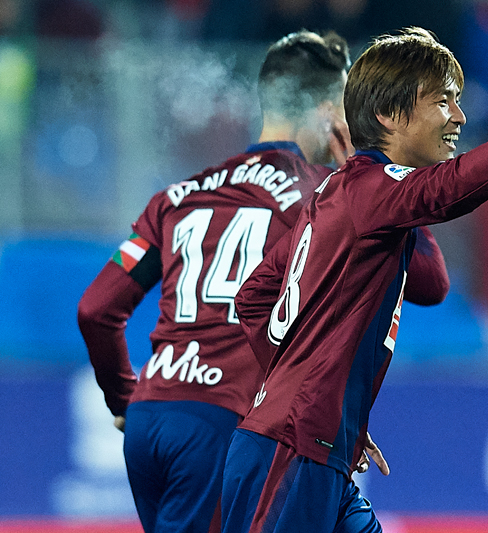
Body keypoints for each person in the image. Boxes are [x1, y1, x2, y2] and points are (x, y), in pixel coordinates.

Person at [221, 26, 488, 533]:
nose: (459, 117)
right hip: (291, 450)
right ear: (388, 113)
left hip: (312, 442)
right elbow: (452, 188)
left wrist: (318, 400)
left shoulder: (345, 193)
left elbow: (258, 298)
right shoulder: (369, 191)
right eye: (443, 101)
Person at [76, 29, 418, 533]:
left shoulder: (180, 195)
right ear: (330, 112)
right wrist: (372, 167)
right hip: (228, 420)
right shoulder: (323, 198)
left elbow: (96, 309)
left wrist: (124, 400)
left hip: (151, 417)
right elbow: (430, 281)